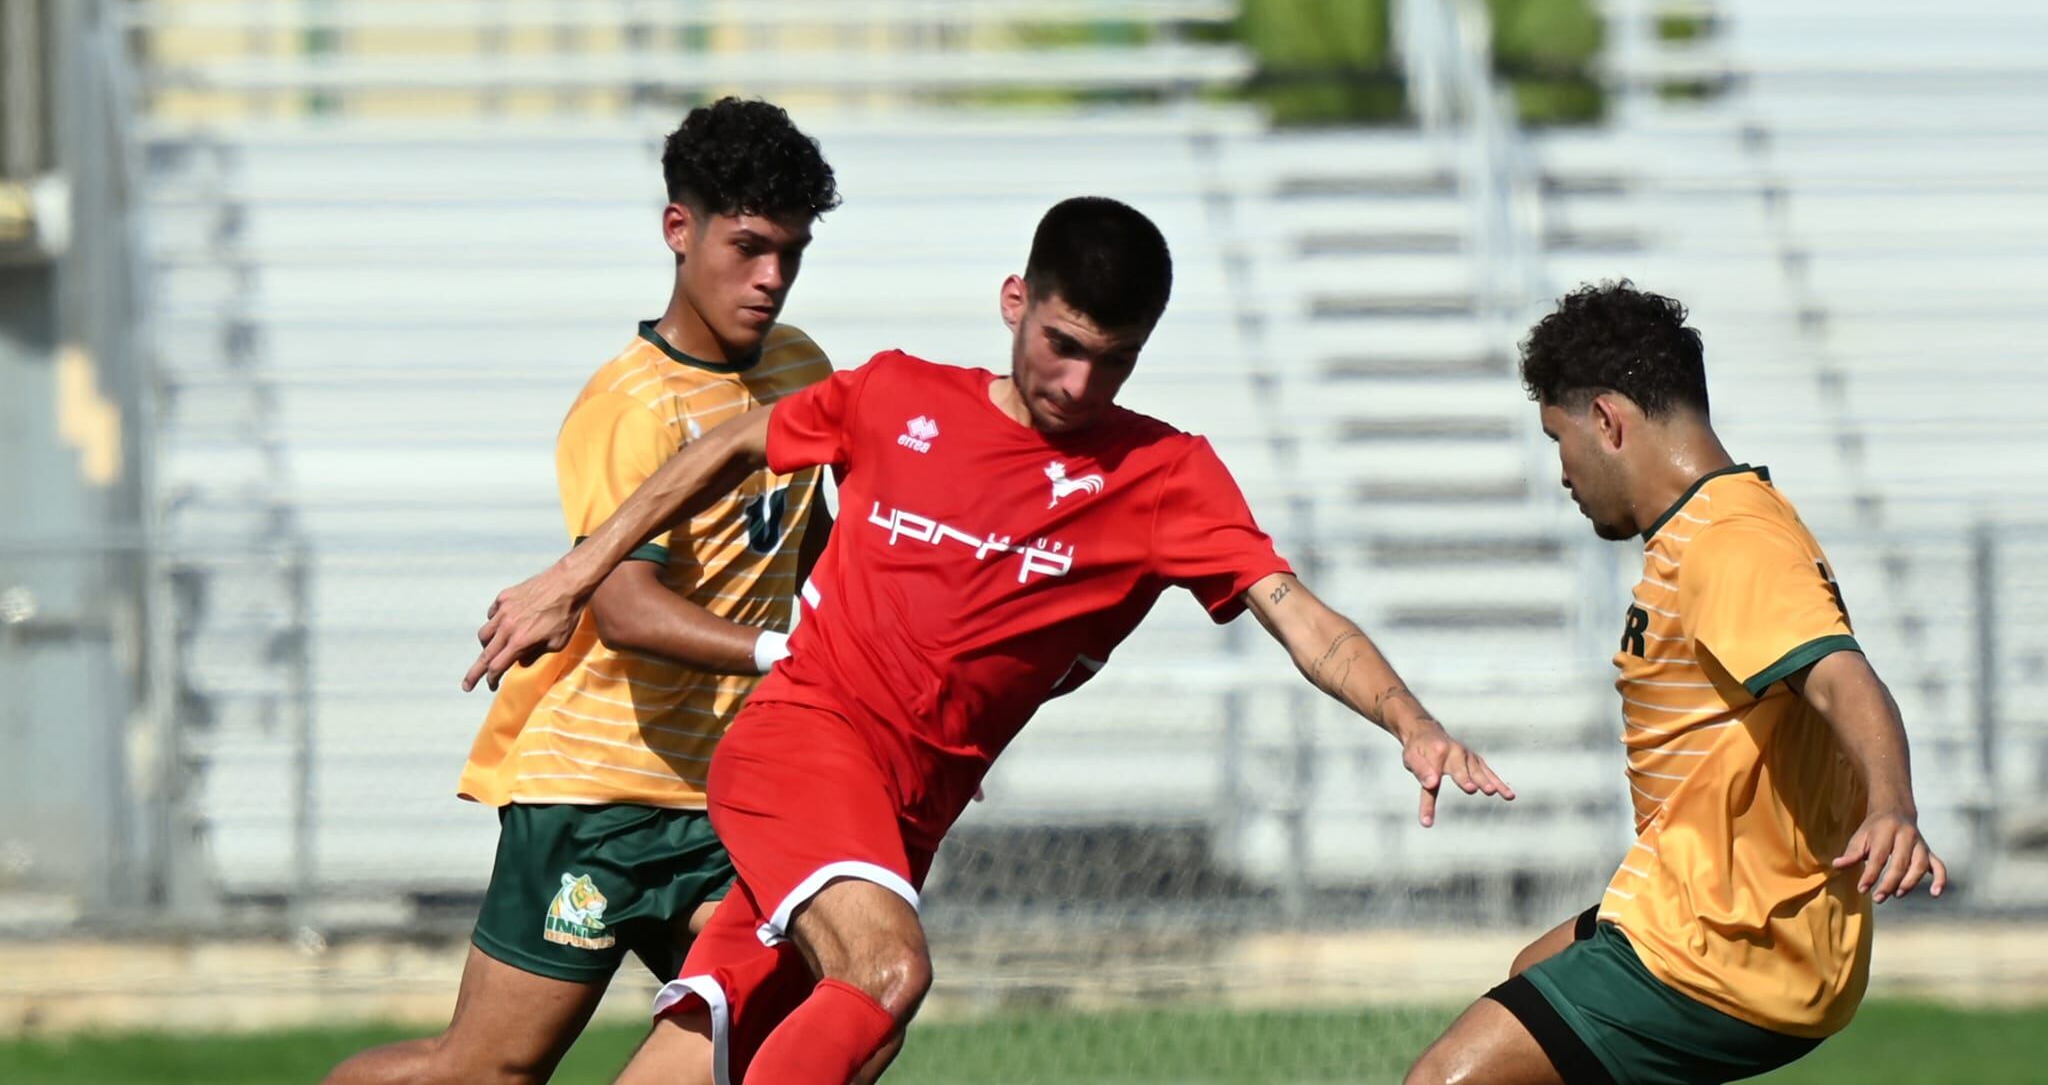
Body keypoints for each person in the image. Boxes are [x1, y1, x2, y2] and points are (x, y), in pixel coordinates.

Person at [465, 196, 1515, 1085]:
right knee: (885, 974)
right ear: (1015, 301)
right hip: (798, 745)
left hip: (899, 822)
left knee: (723, 1053)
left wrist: (1409, 720)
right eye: (1062, 345)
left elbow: (1298, 615)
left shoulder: (1165, 479)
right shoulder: (898, 395)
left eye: (1113, 361)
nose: (1078, 386)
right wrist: (575, 573)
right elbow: (737, 442)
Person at [322, 97, 841, 1085]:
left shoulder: (800, 368)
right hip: (596, 798)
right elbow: (628, 610)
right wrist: (791, 656)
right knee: (485, 1071)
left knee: (785, 1037)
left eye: (791, 252)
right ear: (678, 230)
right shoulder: (630, 407)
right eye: (748, 247)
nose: (771, 277)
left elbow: (808, 543)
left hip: (722, 800)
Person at [1404, 282, 1947, 1085]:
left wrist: (1893, 806)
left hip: (1736, 946)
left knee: (1444, 1081)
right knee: (1532, 975)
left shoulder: (1730, 540)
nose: (1562, 472)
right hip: (1697, 909)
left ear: (1607, 421)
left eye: (1558, 439)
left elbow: (1842, 677)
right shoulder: (1713, 526)